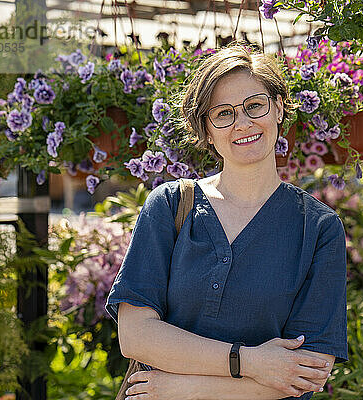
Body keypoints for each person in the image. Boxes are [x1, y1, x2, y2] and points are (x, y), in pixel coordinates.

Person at [105, 43, 348, 400]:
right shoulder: (171, 206)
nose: (243, 123)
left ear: (278, 108)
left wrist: (182, 388)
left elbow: (306, 372)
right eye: (223, 113)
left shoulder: (319, 228)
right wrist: (249, 362)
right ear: (206, 129)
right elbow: (137, 335)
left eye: (255, 105)